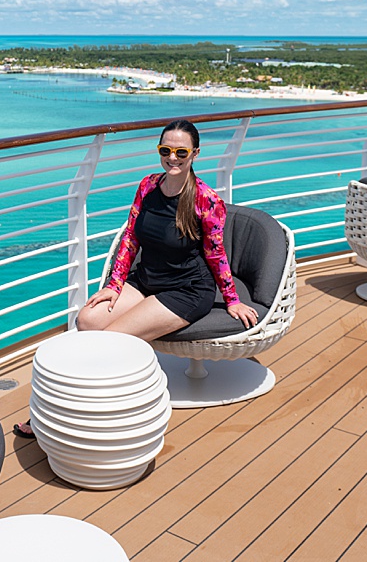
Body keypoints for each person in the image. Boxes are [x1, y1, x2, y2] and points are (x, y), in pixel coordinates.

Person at [14, 119, 258, 437]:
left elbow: (216, 254)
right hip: (145, 280)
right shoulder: (147, 186)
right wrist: (115, 286)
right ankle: (74, 404)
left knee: (111, 342)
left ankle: (62, 415)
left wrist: (232, 299)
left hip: (186, 291)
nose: (173, 157)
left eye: (181, 151)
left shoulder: (206, 200)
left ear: (195, 153)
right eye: (165, 150)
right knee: (87, 320)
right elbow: (131, 239)